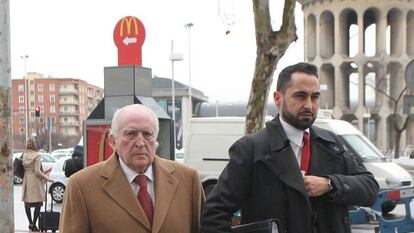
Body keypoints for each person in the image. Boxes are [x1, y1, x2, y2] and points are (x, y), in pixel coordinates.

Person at [201, 62, 379, 233]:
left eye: (315, 97)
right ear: (278, 98)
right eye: (300, 96)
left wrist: (330, 184)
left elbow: (370, 188)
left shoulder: (331, 144)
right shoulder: (251, 149)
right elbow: (215, 214)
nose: (309, 105)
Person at [60, 104, 205, 233]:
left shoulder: (188, 180)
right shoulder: (82, 186)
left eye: (147, 134)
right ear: (113, 141)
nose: (140, 143)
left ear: (156, 140)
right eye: (131, 134)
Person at [21, 138, 52, 232]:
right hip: (35, 181)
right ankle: (34, 224)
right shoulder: (37, 155)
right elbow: (37, 172)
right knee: (38, 204)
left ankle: (30, 223)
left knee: (27, 203)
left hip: (26, 179)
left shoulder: (24, 154)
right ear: (34, 145)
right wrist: (47, 178)